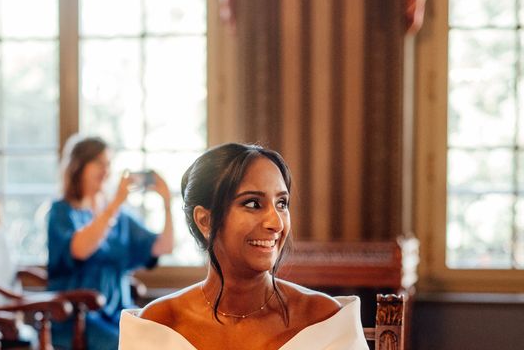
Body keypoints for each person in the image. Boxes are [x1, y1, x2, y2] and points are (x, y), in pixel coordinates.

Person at [119, 143, 369, 350]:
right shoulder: (159, 325)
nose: (276, 222)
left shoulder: (324, 320)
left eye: (282, 203)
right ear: (205, 221)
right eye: (252, 204)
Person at [47, 135, 174, 350]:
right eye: (98, 163)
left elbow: (164, 246)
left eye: (108, 164)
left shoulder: (120, 215)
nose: (105, 171)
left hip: (119, 312)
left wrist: (167, 202)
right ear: (79, 166)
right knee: (127, 345)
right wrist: (115, 204)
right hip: (78, 318)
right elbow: (79, 249)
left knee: (164, 340)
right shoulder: (62, 212)